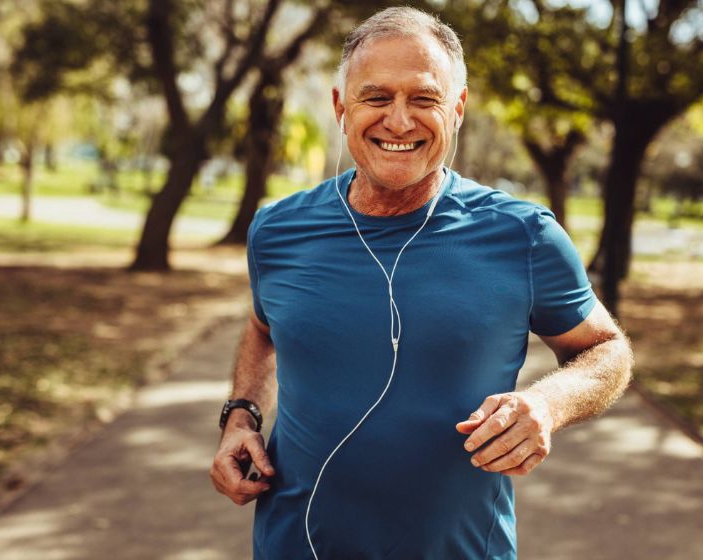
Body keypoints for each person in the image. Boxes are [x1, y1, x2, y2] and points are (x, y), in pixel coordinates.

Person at [210, 7, 633, 559]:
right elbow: (264, 328)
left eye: (424, 98)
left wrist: (548, 404)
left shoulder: (524, 235)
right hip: (292, 545)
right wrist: (240, 417)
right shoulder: (277, 229)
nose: (400, 121)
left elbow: (608, 350)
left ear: (456, 109)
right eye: (377, 97)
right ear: (342, 108)